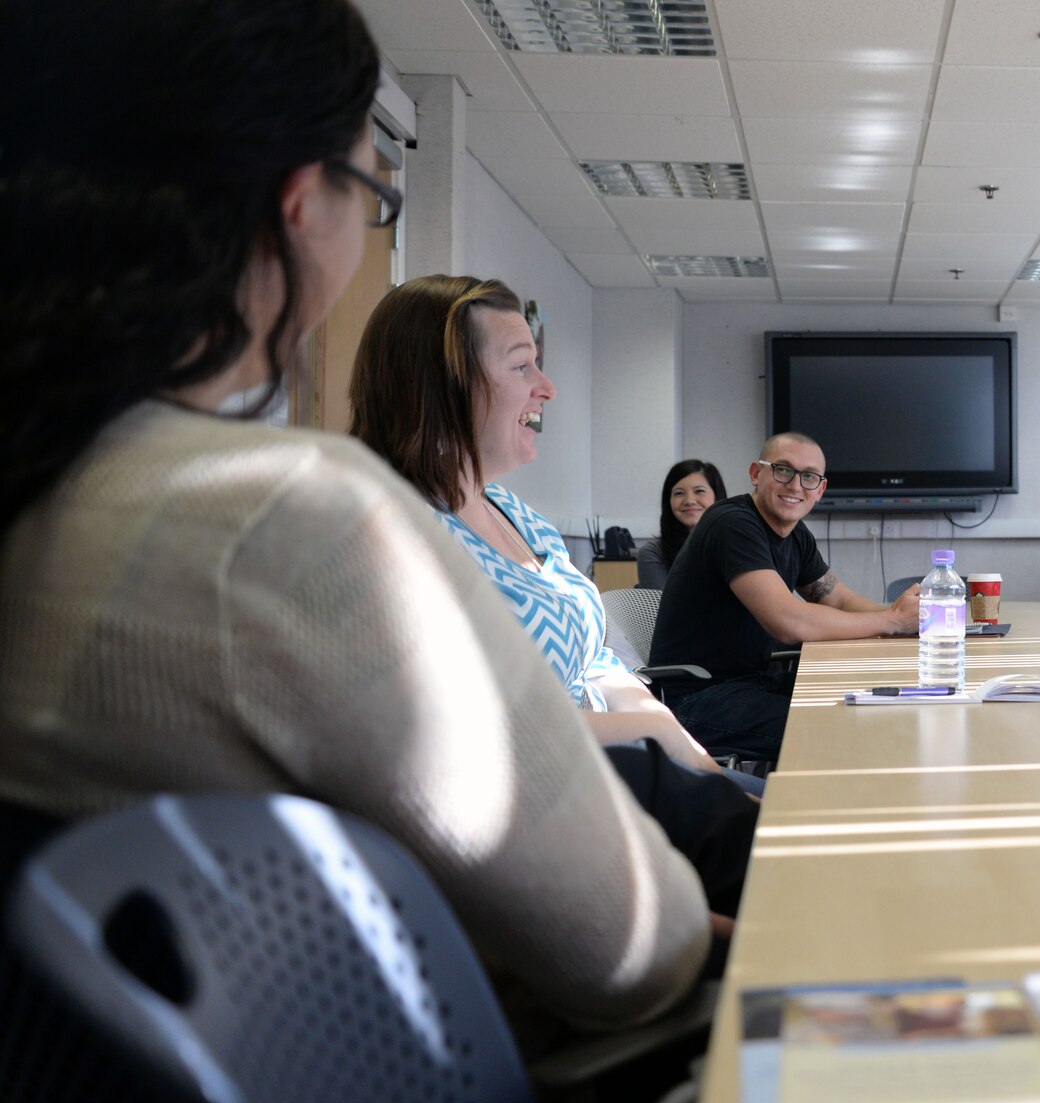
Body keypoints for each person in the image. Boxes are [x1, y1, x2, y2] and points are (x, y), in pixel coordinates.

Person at [0, 0, 710, 1031]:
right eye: (375, 191)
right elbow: (635, 944)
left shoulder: (55, 482)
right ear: (301, 205)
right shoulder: (285, 518)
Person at [349, 274, 765, 798]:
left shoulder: (513, 511)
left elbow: (600, 664)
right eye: (522, 366)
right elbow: (465, 732)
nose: (546, 388)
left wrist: (690, 759)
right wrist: (656, 735)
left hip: (637, 763)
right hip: (559, 795)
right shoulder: (397, 536)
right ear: (441, 386)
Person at [649, 433, 920, 760]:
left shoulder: (795, 534)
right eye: (782, 470)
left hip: (752, 683)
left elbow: (836, 598)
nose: (795, 485)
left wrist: (905, 617)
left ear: (820, 490)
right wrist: (891, 620)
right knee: (847, 728)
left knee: (875, 703)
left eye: (809, 476)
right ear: (755, 473)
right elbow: (788, 622)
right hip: (698, 698)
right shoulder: (731, 524)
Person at [637, 459, 726, 589]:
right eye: (679, 493)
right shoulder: (653, 552)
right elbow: (658, 608)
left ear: (716, 496)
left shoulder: (736, 544)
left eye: (699, 491)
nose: (689, 501)